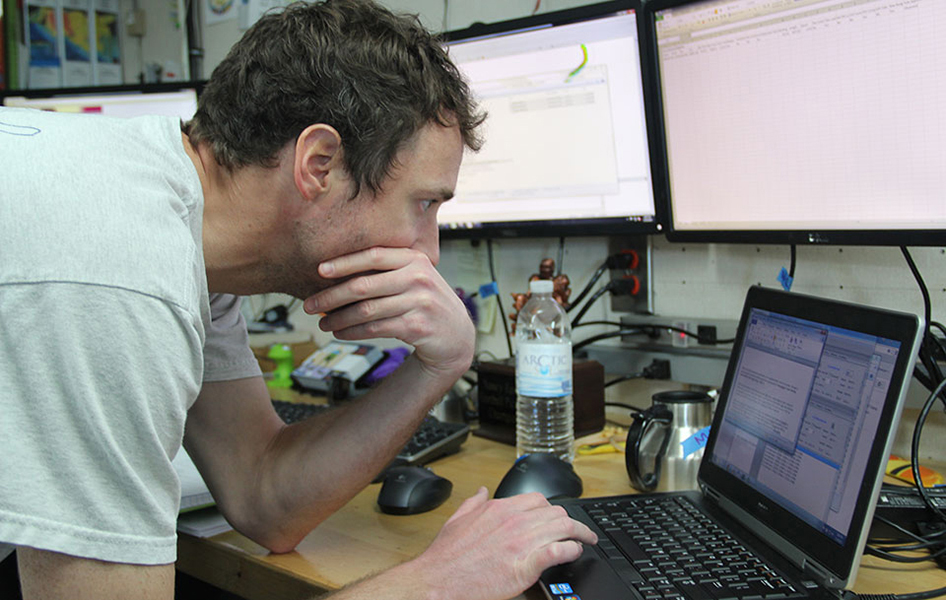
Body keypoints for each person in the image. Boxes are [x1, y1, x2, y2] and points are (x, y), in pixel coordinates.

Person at [0, 1, 596, 598]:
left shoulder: (184, 237)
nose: (429, 252)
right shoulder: (118, 264)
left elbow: (264, 498)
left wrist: (438, 365)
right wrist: (441, 581)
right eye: (424, 204)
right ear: (320, 164)